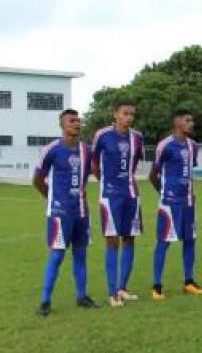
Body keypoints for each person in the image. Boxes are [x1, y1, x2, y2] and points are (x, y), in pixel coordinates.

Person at [33, 110, 99, 316]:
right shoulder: (51, 149)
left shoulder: (86, 151)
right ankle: (45, 301)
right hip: (60, 213)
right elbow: (37, 180)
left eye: (78, 121)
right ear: (62, 125)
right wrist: (53, 200)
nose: (77, 124)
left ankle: (82, 296)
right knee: (57, 256)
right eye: (72, 121)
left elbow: (88, 176)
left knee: (81, 254)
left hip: (81, 211)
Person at [149, 109, 202, 300]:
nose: (192, 123)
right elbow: (153, 175)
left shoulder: (193, 146)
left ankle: (189, 282)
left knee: (190, 241)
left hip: (189, 202)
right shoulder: (164, 145)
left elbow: (189, 171)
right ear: (177, 123)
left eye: (192, 120)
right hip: (169, 203)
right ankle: (157, 285)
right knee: (163, 242)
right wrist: (166, 193)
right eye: (187, 120)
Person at [91, 100, 144, 307]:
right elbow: (94, 163)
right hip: (110, 196)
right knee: (112, 241)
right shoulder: (102, 135)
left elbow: (135, 163)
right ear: (115, 114)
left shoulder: (137, 137)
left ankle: (123, 288)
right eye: (125, 113)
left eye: (132, 114)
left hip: (131, 194)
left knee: (130, 239)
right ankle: (112, 292)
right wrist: (105, 182)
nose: (129, 117)